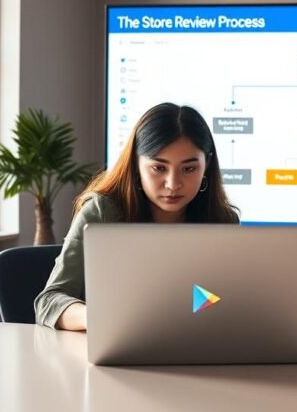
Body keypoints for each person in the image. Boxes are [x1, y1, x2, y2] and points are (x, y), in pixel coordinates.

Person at [34, 103, 240, 330]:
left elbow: (221, 299)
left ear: (206, 165)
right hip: (115, 350)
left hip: (195, 347)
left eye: (189, 169)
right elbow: (49, 301)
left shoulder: (223, 220)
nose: (173, 184)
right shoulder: (102, 212)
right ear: (136, 165)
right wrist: (102, 316)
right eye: (159, 168)